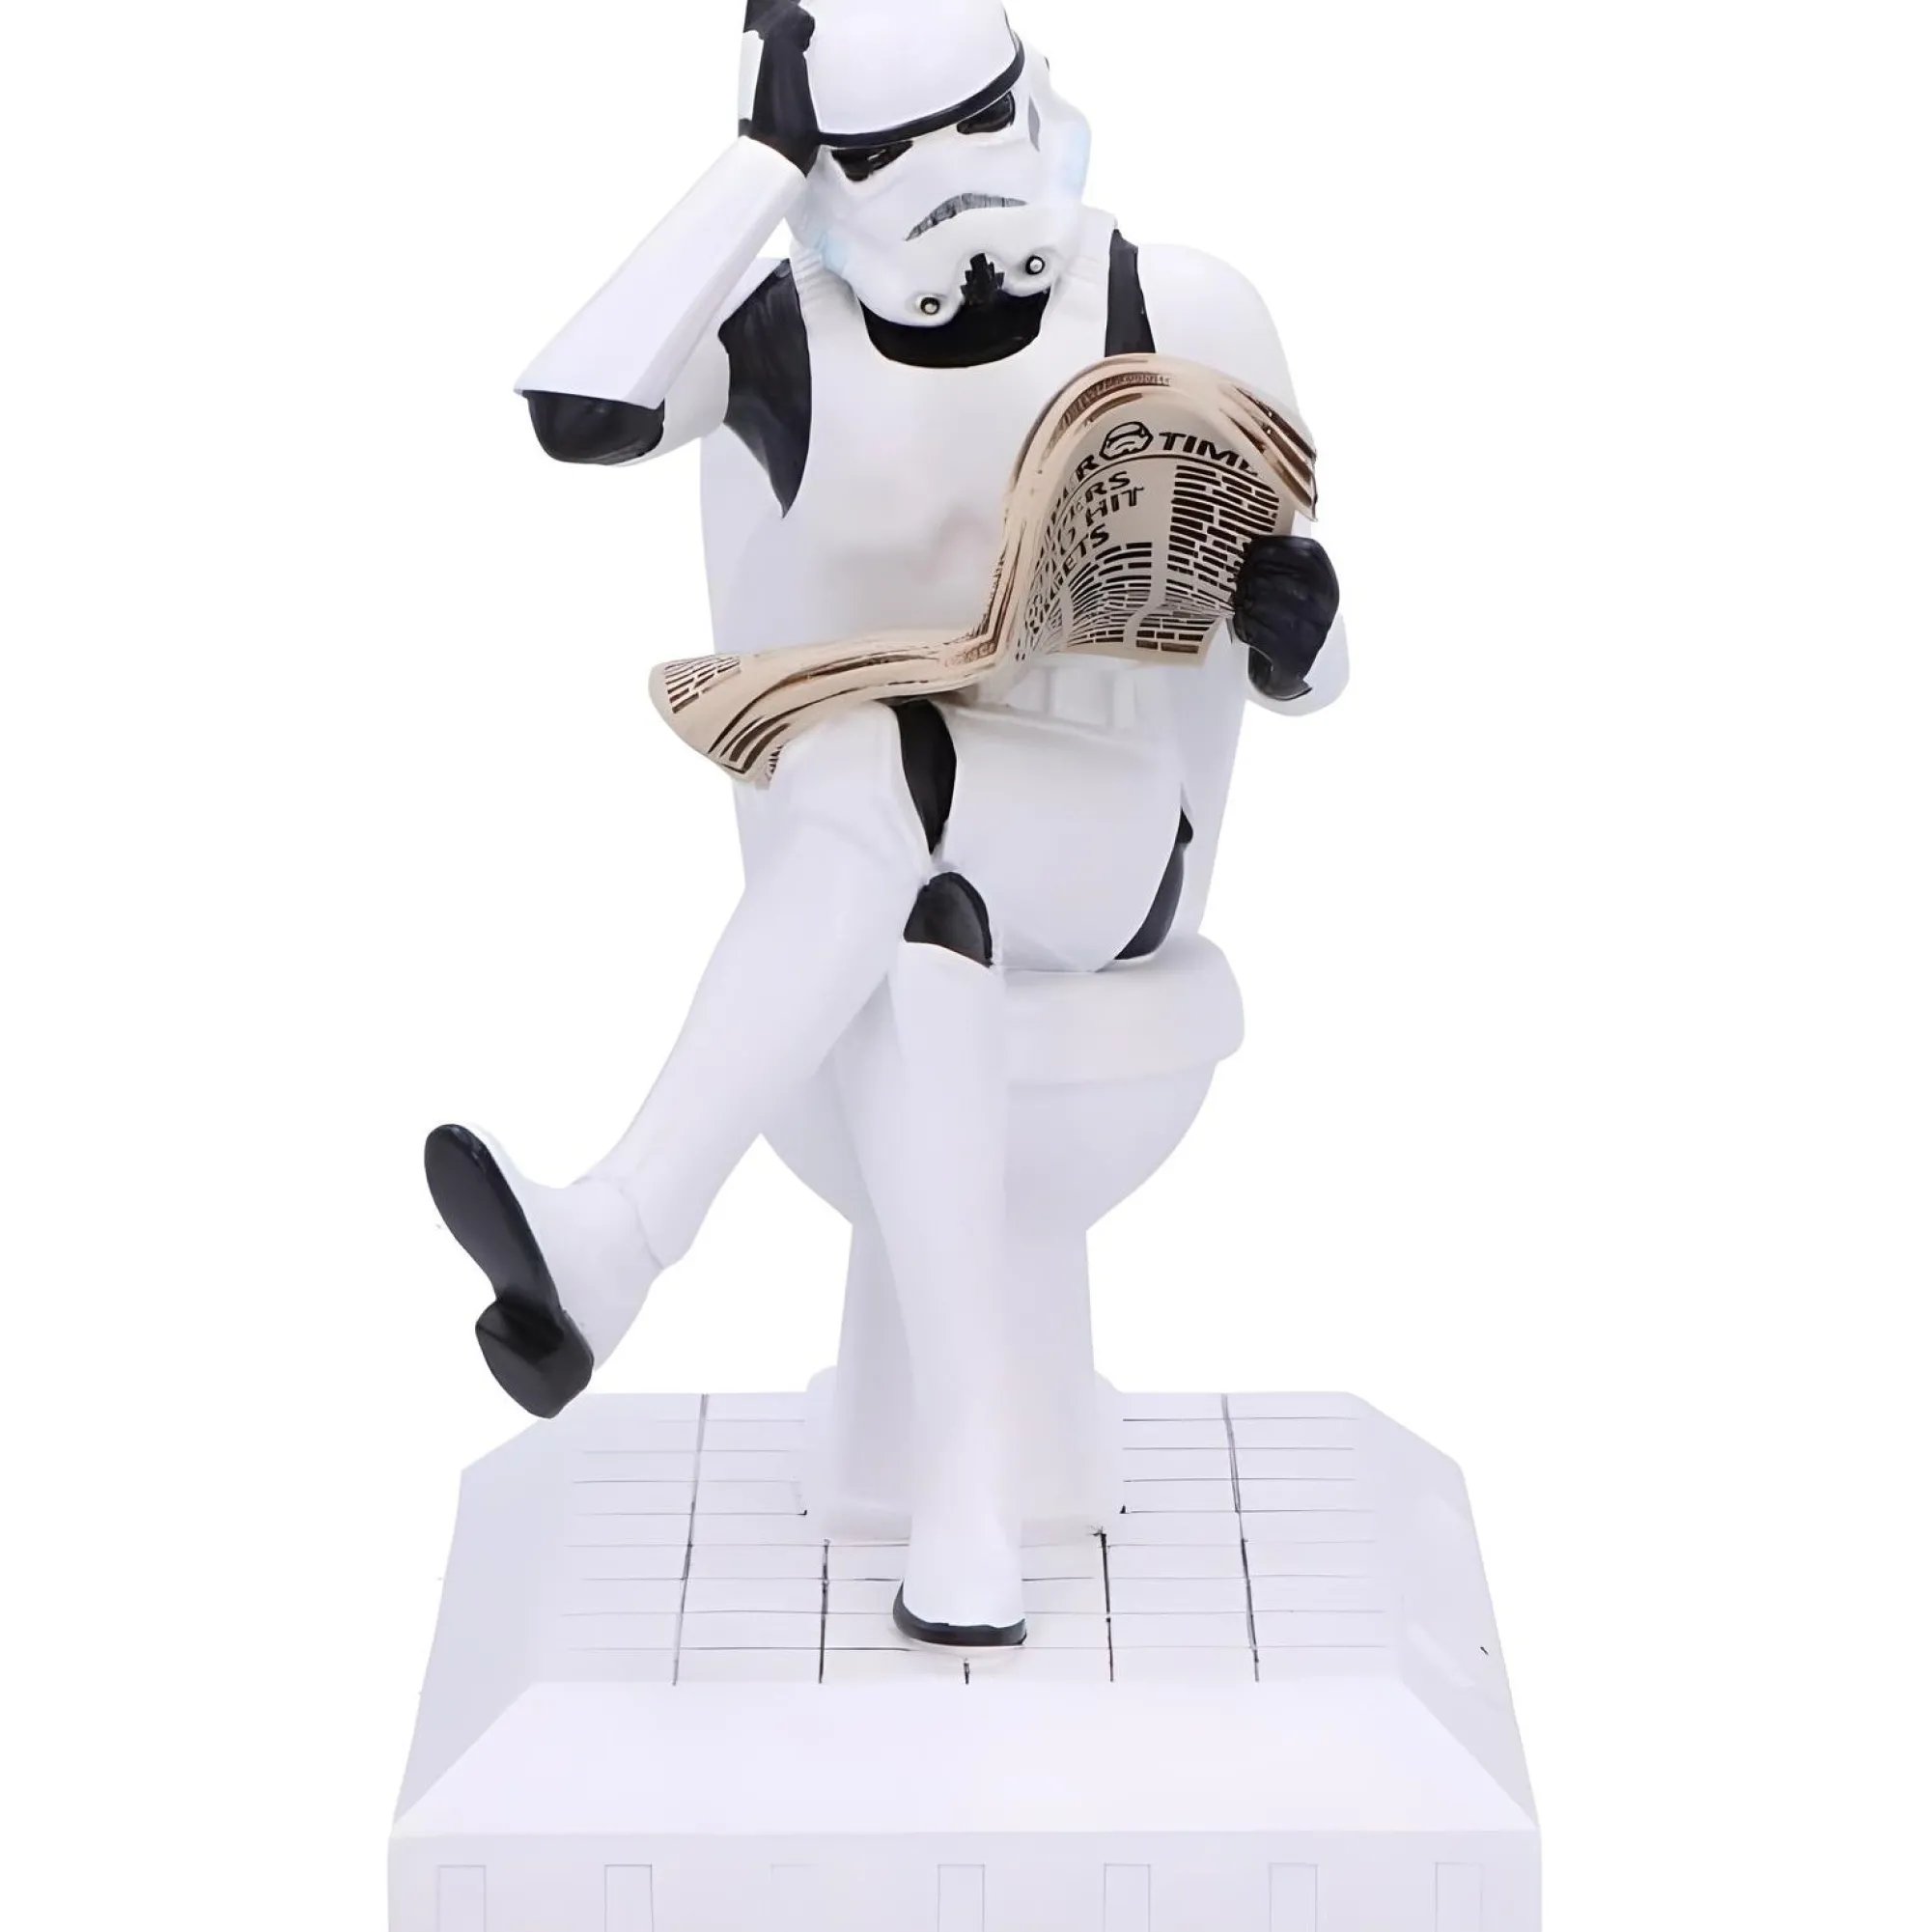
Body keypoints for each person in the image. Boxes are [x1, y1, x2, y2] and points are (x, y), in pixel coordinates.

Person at [426, 0, 1345, 1647]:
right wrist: (754, 169)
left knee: (865, 763)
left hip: (1116, 849)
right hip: (890, 881)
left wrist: (1300, 628)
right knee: (925, 936)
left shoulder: (1181, 305)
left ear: (1036, 92)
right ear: (820, 174)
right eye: (890, 151)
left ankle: (623, 1234)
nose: (956, 178)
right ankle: (965, 1519)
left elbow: (1318, 665)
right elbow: (576, 411)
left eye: (981, 119)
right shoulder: (784, 341)